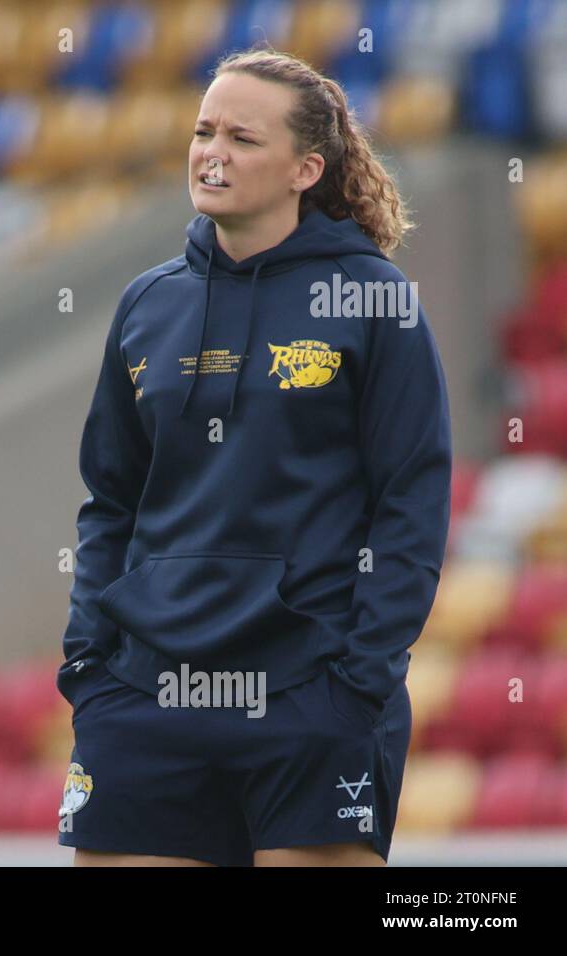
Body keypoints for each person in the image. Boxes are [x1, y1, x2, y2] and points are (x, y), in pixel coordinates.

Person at [55, 49, 452, 867]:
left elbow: (411, 500)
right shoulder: (147, 304)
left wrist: (359, 682)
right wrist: (90, 668)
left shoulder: (372, 301)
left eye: (241, 137)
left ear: (307, 167)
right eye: (203, 131)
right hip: (143, 696)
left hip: (309, 695)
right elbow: (110, 500)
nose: (212, 152)